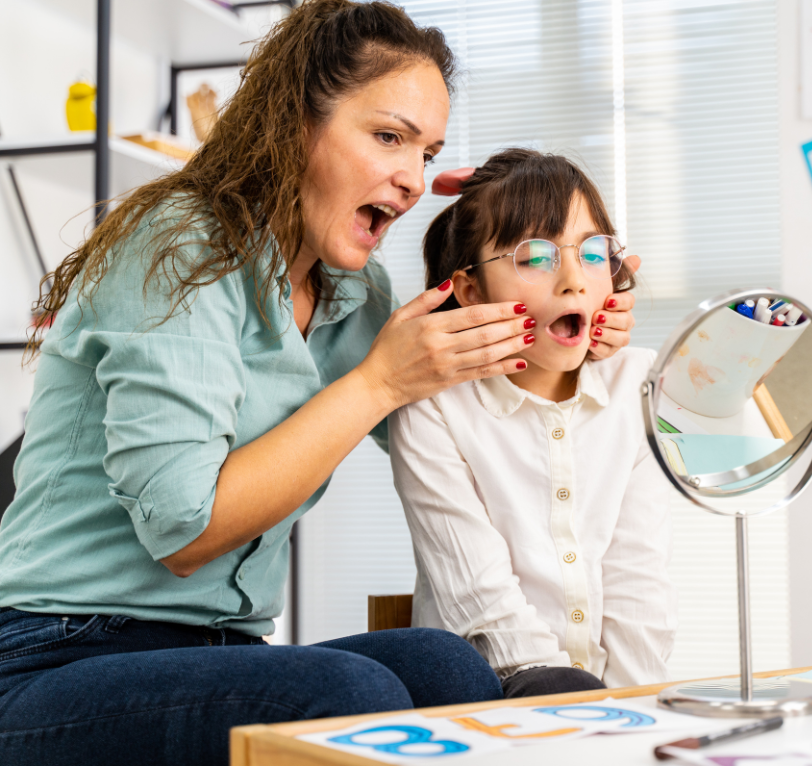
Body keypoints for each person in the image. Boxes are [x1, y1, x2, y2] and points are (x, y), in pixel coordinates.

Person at [0, 2, 637, 764]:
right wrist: (376, 383)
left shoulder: (352, 292)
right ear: (293, 122)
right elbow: (184, 532)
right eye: (389, 137)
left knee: (449, 668)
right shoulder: (176, 246)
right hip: (60, 654)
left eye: (427, 153)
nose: (410, 179)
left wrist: (562, 315)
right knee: (352, 699)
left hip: (221, 648)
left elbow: (456, 431)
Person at [390, 149, 676, 699]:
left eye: (593, 253)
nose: (573, 280)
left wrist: (636, 713)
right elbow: (477, 594)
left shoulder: (638, 384)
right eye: (535, 257)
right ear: (470, 290)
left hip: (608, 712)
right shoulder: (434, 403)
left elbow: (640, 582)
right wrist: (576, 708)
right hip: (480, 697)